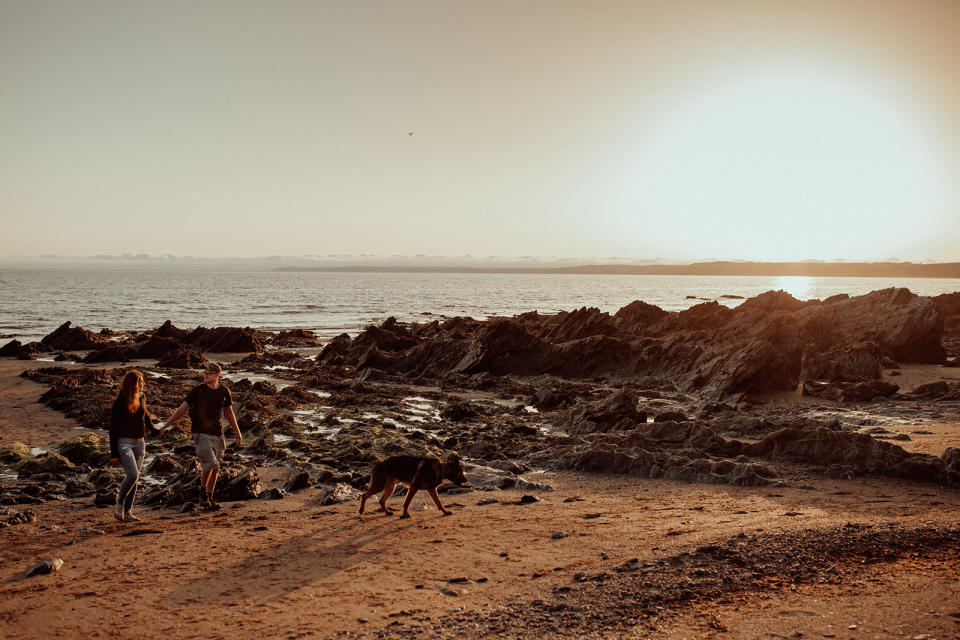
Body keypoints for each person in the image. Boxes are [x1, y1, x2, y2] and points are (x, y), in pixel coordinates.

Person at [159, 362, 242, 510]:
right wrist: (165, 426)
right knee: (210, 464)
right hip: (200, 432)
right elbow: (181, 410)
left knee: (216, 469)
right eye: (204, 373)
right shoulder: (197, 391)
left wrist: (238, 432)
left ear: (217, 375)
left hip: (218, 433)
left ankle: (209, 499)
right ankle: (203, 492)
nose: (205, 375)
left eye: (209, 373)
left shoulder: (224, 391)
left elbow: (229, 413)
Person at [110, 370, 156, 522]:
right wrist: (114, 454)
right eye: (141, 382)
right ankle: (119, 506)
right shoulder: (120, 402)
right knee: (132, 475)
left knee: (135, 478)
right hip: (124, 443)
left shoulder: (142, 396)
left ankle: (128, 512)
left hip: (140, 442)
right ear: (133, 384)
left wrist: (154, 430)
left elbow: (146, 416)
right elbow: (113, 428)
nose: (143, 384)